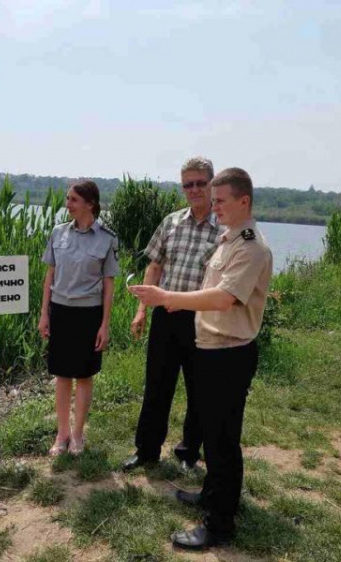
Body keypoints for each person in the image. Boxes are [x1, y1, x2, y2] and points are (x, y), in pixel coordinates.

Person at [130, 167, 273, 549]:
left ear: (244, 201)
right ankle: (213, 496)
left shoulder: (250, 246)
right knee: (213, 435)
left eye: (220, 200)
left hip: (230, 352)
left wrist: (167, 298)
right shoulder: (229, 240)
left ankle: (219, 525)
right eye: (213, 200)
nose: (215, 206)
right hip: (212, 348)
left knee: (223, 441)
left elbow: (224, 298)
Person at [122, 156, 220, 472]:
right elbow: (154, 266)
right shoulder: (172, 222)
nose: (193, 190)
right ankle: (146, 451)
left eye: (200, 183)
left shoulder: (225, 229)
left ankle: (189, 452)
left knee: (200, 390)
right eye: (187, 184)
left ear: (212, 184)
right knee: (157, 386)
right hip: (166, 316)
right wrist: (141, 311)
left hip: (202, 319)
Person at [39, 180, 119, 456]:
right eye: (67, 198)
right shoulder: (58, 233)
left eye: (73, 199)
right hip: (60, 311)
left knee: (84, 376)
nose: (67, 204)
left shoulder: (107, 239)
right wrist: (44, 315)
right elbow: (49, 275)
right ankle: (61, 436)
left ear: (90, 204)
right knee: (62, 375)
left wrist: (104, 324)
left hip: (89, 314)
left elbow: (109, 285)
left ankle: (78, 436)